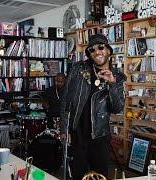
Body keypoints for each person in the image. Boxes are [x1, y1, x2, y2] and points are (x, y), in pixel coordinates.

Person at [60, 34, 126, 179]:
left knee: (99, 176)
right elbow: (66, 100)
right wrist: (65, 128)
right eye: (92, 50)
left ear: (108, 50)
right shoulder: (77, 70)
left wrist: (112, 84)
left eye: (101, 47)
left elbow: (117, 108)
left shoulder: (118, 77)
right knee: (77, 175)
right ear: (89, 54)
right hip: (77, 134)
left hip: (100, 136)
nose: (97, 52)